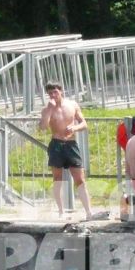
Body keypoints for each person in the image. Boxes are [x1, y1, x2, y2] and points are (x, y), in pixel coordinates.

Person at [39, 81, 92, 218]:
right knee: (58, 179)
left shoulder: (72, 105)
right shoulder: (46, 109)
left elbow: (84, 123)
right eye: (50, 93)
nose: (53, 95)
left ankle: (88, 211)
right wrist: (49, 110)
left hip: (71, 144)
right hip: (56, 144)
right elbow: (43, 127)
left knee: (80, 178)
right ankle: (61, 211)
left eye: (55, 92)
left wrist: (74, 128)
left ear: (61, 91)